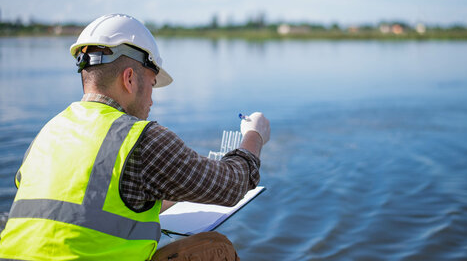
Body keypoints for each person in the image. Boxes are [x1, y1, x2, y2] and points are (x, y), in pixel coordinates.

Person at [0, 14, 270, 260]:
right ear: (129, 79)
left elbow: (82, 209)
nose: (152, 100)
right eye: (152, 85)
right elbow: (234, 185)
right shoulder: (141, 138)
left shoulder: (49, 132)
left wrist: (171, 191)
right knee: (215, 247)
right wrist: (254, 134)